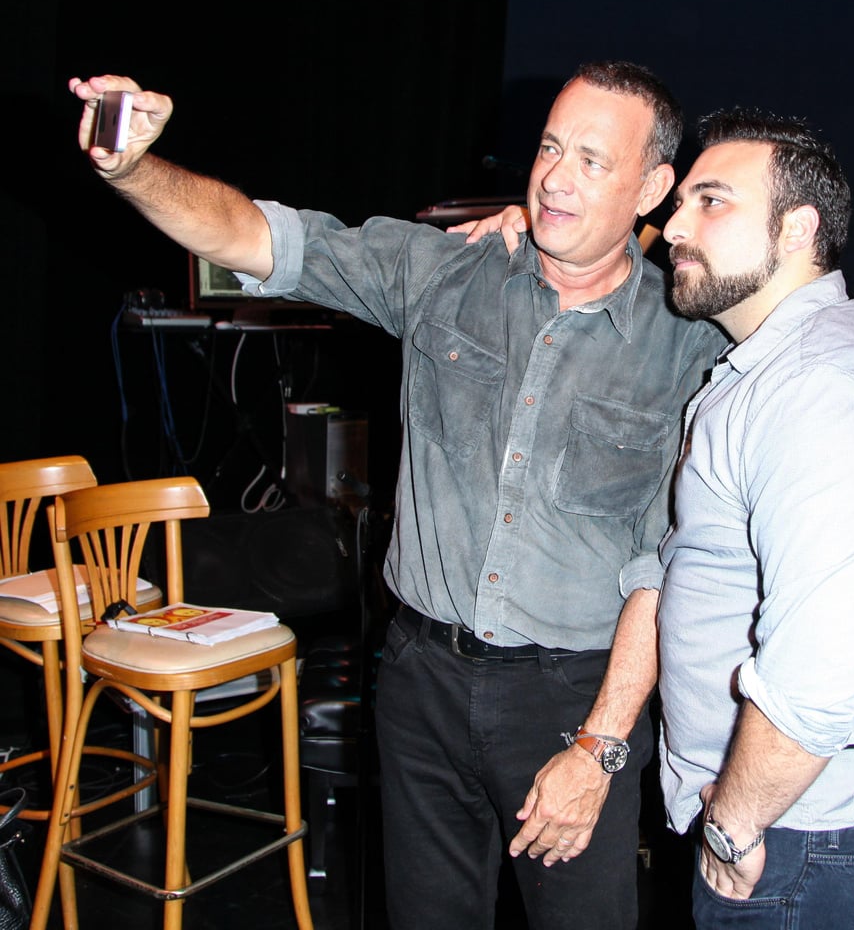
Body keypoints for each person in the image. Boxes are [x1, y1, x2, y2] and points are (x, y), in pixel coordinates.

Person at [68, 62, 726, 929]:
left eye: (593, 162)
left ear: (652, 186)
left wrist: (601, 747)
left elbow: (664, 565)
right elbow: (257, 239)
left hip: (573, 700)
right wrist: (134, 169)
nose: (556, 177)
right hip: (422, 681)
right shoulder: (444, 270)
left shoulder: (690, 345)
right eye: (549, 148)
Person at [654, 105, 854, 928]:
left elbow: (821, 673)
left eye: (710, 201)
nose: (673, 223)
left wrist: (733, 823)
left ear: (797, 229)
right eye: (680, 200)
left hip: (810, 837)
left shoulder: (820, 389)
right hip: (799, 824)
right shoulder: (770, 369)